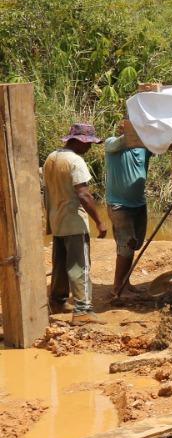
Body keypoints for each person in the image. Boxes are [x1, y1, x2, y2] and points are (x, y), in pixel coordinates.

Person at [43, 123, 108, 322]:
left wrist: (48, 221)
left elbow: (47, 191)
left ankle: (57, 301)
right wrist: (99, 221)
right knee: (80, 265)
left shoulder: (51, 158)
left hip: (57, 220)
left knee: (61, 264)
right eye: (88, 144)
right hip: (74, 222)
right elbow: (84, 194)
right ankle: (83, 310)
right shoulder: (75, 161)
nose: (89, 148)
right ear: (79, 141)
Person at [103, 121, 152, 302]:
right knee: (126, 245)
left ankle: (126, 282)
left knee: (134, 245)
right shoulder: (111, 144)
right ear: (121, 128)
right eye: (128, 127)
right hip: (119, 206)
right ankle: (117, 287)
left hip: (139, 204)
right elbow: (123, 140)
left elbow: (160, 145)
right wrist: (140, 130)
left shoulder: (144, 147)